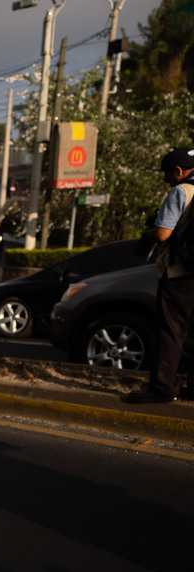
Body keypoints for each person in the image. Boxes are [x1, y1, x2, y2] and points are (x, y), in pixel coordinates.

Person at [125, 147, 194, 404]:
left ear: (178, 171)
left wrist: (148, 233)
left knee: (170, 331)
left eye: (167, 175)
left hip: (180, 273)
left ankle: (163, 387)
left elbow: (163, 234)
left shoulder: (181, 191)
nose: (167, 180)